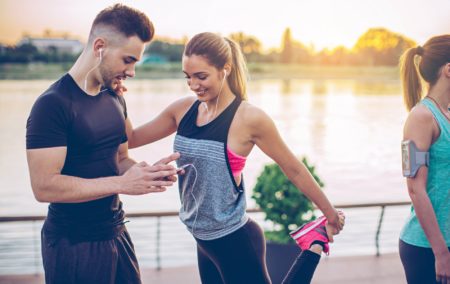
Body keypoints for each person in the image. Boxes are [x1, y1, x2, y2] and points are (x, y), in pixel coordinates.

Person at [123, 32, 344, 284]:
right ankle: (314, 243)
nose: (194, 85)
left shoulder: (249, 118)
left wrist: (329, 213)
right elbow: (130, 138)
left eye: (201, 76)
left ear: (224, 70)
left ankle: (315, 244)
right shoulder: (183, 109)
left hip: (236, 239)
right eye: (188, 77)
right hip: (202, 238)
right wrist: (115, 93)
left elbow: (292, 168)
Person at [25, 4, 179, 284]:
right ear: (99, 46)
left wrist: (144, 173)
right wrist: (122, 184)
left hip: (117, 234)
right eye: (127, 60)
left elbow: (119, 159)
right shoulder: (53, 104)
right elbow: (43, 186)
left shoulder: (114, 96)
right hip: (73, 243)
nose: (131, 71)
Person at [398, 34, 450, 284]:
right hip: (428, 249)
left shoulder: (447, 114)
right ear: (448, 70)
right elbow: (415, 189)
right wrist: (441, 254)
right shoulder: (421, 117)